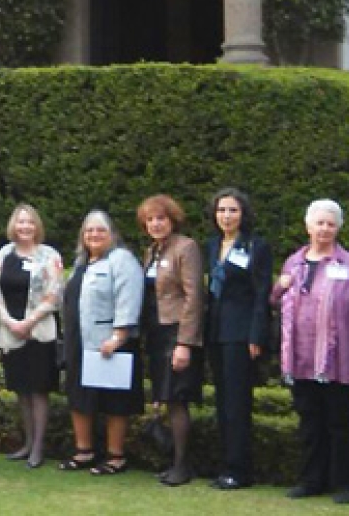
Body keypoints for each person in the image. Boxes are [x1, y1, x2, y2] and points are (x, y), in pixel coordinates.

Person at [273, 198, 349, 505]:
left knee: (341, 425)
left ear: (339, 228)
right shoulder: (294, 262)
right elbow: (275, 299)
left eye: (331, 223)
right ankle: (310, 480)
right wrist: (279, 286)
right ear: (308, 227)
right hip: (302, 360)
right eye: (320, 223)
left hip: (341, 362)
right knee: (310, 424)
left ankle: (344, 483)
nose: (325, 229)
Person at [60, 209, 144, 476]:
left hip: (110, 343)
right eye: (89, 230)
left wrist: (119, 335)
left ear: (112, 234)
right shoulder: (82, 262)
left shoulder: (122, 260)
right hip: (79, 342)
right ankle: (84, 451)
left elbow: (128, 298)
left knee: (114, 400)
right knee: (79, 396)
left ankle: (116, 456)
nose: (94, 235)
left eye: (100, 230)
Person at [203, 188, 272, 490]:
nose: (226, 216)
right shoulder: (211, 245)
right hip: (215, 331)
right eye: (221, 210)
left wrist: (256, 334)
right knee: (221, 401)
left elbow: (261, 294)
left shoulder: (256, 246)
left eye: (232, 210)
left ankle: (239, 469)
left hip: (241, 333)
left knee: (237, 403)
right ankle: (224, 464)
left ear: (244, 214)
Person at [137, 194, 205, 486]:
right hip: (156, 331)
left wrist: (185, 343)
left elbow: (194, 297)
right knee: (165, 396)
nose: (155, 224)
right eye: (150, 219)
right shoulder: (151, 251)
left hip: (177, 331)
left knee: (178, 400)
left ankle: (182, 465)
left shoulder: (186, 248)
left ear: (172, 220)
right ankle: (172, 462)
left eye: (161, 218)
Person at [0, 203, 64, 469]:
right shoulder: (2, 255)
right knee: (21, 390)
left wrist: (29, 321)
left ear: (37, 226)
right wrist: (10, 321)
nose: (25, 227)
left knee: (39, 391)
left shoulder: (49, 255)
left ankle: (39, 448)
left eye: (29, 222)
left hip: (40, 332)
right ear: (13, 225)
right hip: (12, 333)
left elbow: (55, 294)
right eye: (20, 222)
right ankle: (27, 443)